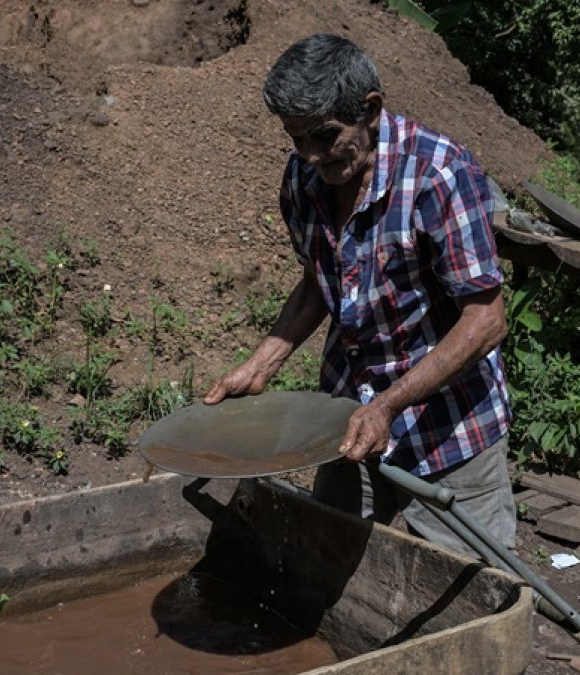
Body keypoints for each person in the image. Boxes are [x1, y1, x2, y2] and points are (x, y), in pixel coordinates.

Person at [203, 33, 514, 558]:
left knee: (472, 586)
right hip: (350, 417)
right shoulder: (305, 179)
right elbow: (321, 281)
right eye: (296, 139)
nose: (310, 154)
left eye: (324, 136)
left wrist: (390, 405)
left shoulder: (439, 174)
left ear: (370, 109)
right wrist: (262, 363)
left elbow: (485, 321)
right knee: (334, 569)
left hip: (450, 428)